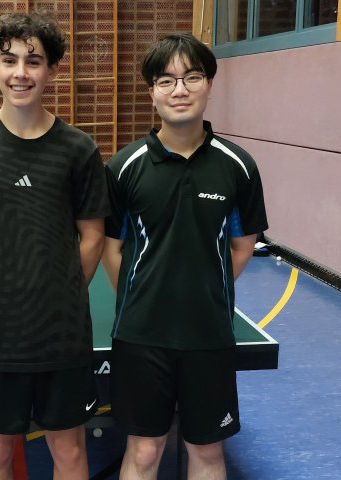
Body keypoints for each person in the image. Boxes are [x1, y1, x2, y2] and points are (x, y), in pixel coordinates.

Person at [0, 11, 110, 480]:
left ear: (52, 70)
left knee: (70, 453)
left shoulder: (78, 149)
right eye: (9, 60)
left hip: (62, 335)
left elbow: (93, 235)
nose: (21, 73)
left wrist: (61, 293)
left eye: (33, 61)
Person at [102, 33, 268, 479]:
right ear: (152, 92)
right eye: (166, 80)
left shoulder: (238, 166)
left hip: (209, 336)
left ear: (209, 84)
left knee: (207, 451)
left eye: (191, 77)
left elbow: (242, 245)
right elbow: (111, 248)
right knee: (143, 452)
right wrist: (143, 299)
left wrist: (204, 293)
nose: (179, 90)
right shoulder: (124, 166)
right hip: (141, 337)